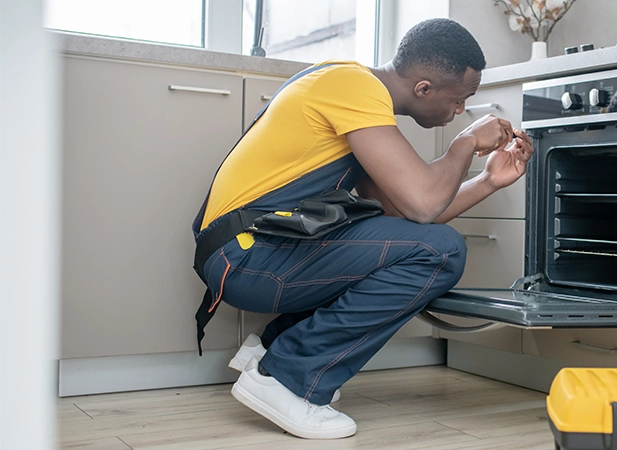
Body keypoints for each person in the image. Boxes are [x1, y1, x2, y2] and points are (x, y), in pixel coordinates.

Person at [191, 18, 534, 439]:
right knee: (442, 250)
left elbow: (403, 215)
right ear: (424, 88)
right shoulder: (354, 88)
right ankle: (287, 378)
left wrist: (487, 181)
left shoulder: (352, 90)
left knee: (417, 243)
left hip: (247, 252)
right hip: (246, 256)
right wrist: (465, 142)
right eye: (459, 100)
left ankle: (269, 352)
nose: (459, 111)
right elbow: (425, 205)